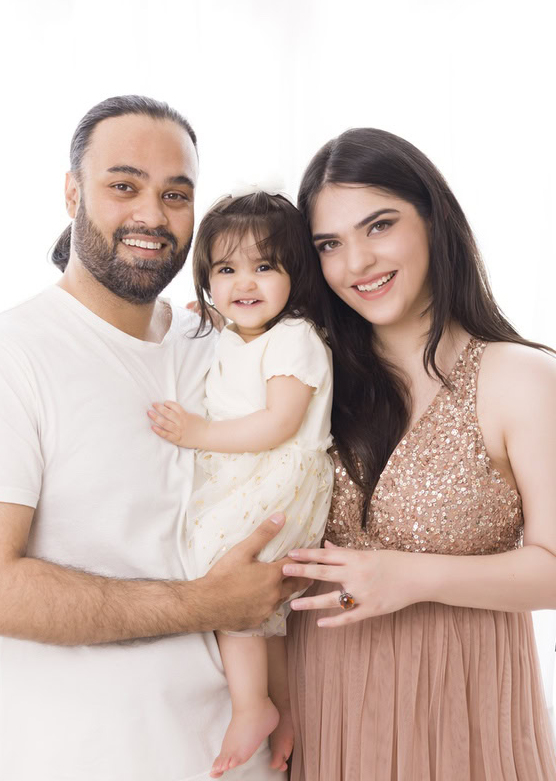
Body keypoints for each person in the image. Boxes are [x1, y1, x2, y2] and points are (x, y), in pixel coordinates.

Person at [0, 95, 297, 780]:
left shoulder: (218, 342)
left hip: (241, 761)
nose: (152, 216)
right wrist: (205, 605)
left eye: (176, 194)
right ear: (73, 192)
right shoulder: (2, 357)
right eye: (123, 186)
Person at [282, 128, 556, 779]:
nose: (357, 262)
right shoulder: (309, 376)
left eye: (379, 226)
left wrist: (411, 576)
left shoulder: (522, 379)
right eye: (329, 245)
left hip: (462, 712)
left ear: (433, 219)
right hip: (321, 703)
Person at [147, 191, 334, 777]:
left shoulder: (294, 338)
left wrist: (197, 432)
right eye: (226, 270)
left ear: (294, 275)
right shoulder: (233, 334)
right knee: (265, 609)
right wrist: (209, 318)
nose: (243, 283)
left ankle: (251, 704)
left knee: (223, 569)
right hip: (250, 475)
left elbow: (279, 422)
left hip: (281, 476)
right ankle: (279, 708)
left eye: (264, 267)